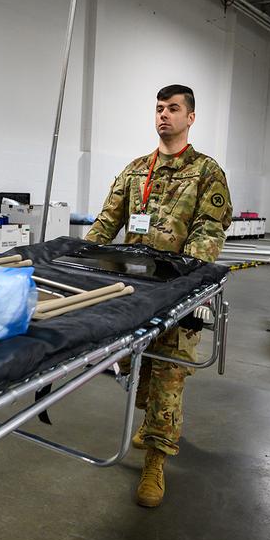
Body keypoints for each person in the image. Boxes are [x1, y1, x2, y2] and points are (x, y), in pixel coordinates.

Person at [85, 84, 231, 508]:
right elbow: (104, 226)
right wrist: (80, 265)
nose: (163, 115)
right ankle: (152, 422)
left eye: (173, 109)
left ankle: (155, 460)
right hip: (133, 292)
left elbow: (209, 230)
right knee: (137, 367)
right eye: (159, 109)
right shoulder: (135, 171)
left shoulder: (206, 172)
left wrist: (185, 283)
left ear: (190, 117)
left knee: (169, 374)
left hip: (177, 292)